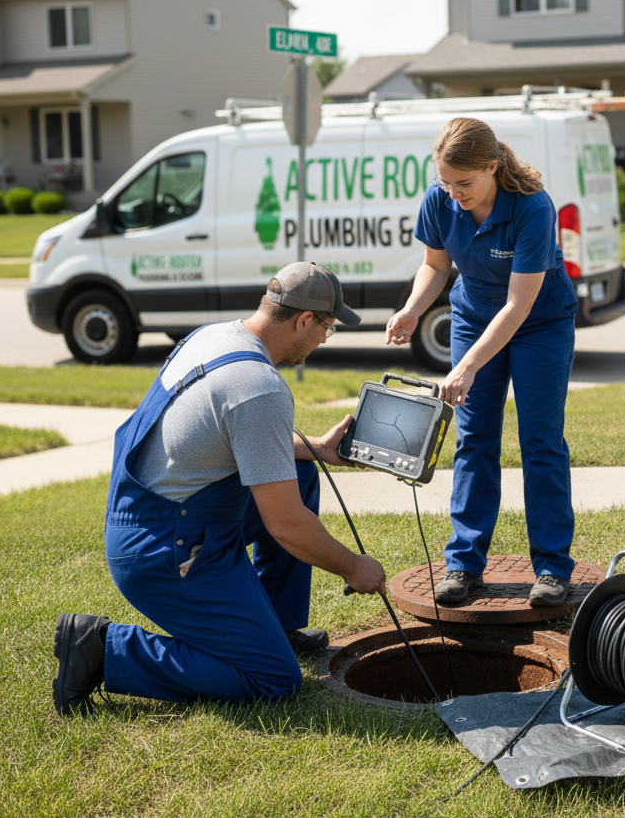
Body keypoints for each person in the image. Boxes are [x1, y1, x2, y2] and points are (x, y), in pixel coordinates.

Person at [52, 262, 386, 715]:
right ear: (304, 320)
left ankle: (278, 626)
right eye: (327, 326)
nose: (325, 337)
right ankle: (103, 649)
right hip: (165, 549)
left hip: (153, 515)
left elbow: (222, 431)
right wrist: (353, 567)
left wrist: (318, 449)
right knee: (273, 679)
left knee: (300, 469)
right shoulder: (260, 388)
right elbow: (286, 525)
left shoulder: (214, 336)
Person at [385, 117, 577, 608]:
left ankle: (553, 568)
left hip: (539, 322)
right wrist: (412, 309)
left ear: (492, 167)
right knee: (473, 438)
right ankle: (464, 564)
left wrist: (467, 366)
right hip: (473, 316)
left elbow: (518, 305)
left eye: (464, 183)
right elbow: (434, 265)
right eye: (445, 182)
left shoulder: (533, 208)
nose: (454, 194)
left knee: (540, 440)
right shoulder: (440, 200)